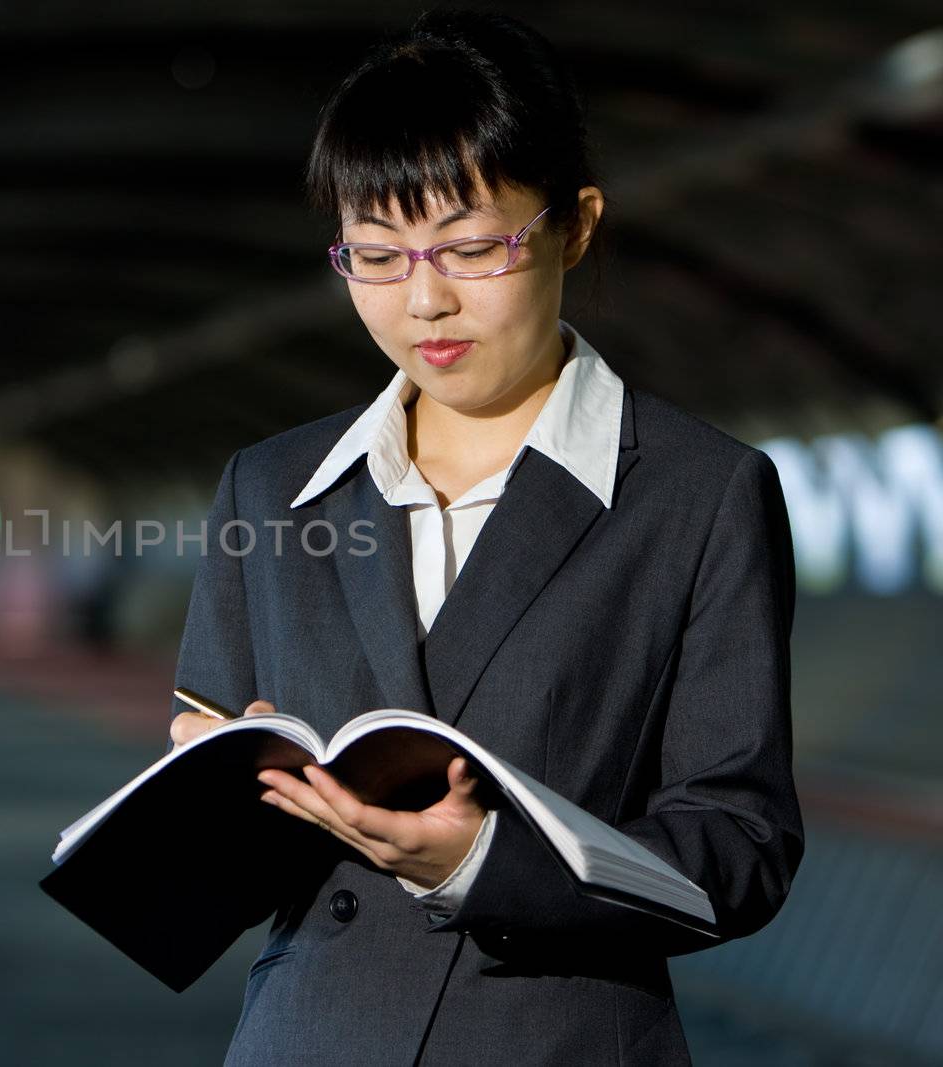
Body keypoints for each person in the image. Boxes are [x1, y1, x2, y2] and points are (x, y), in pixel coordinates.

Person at [167, 10, 803, 1066]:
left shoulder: (701, 492)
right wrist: (212, 800)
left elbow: (738, 851)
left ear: (576, 223)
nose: (424, 299)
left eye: (470, 246)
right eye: (373, 255)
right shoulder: (270, 487)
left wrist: (484, 864)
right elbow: (210, 865)